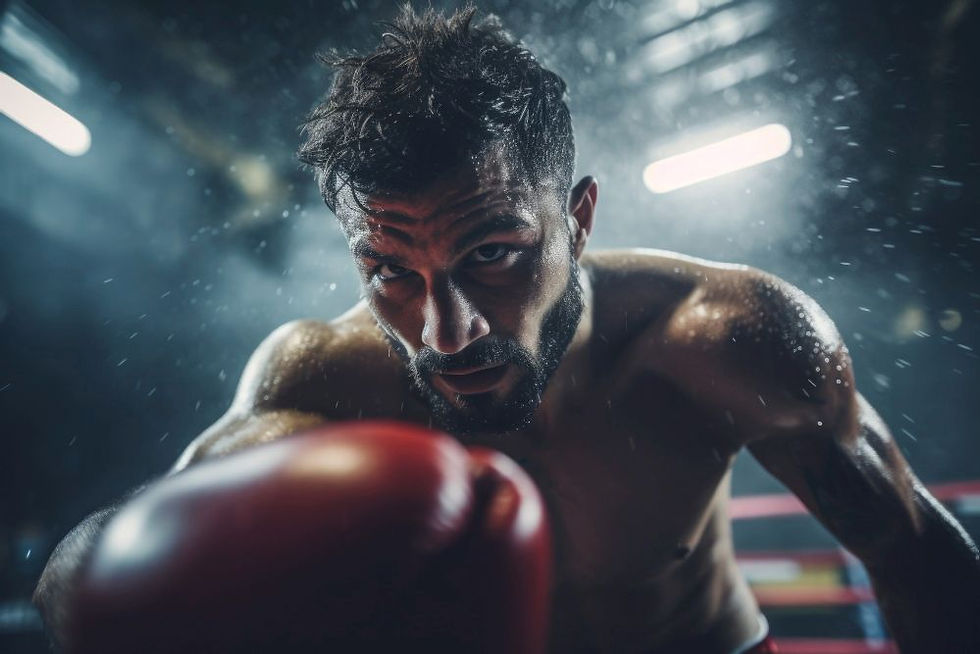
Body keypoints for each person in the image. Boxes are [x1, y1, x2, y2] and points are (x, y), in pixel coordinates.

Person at [34, 6, 980, 654]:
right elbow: (87, 583)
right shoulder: (320, 380)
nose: (446, 333)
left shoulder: (727, 337)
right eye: (390, 271)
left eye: (492, 254)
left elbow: (914, 554)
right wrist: (126, 582)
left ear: (578, 218)